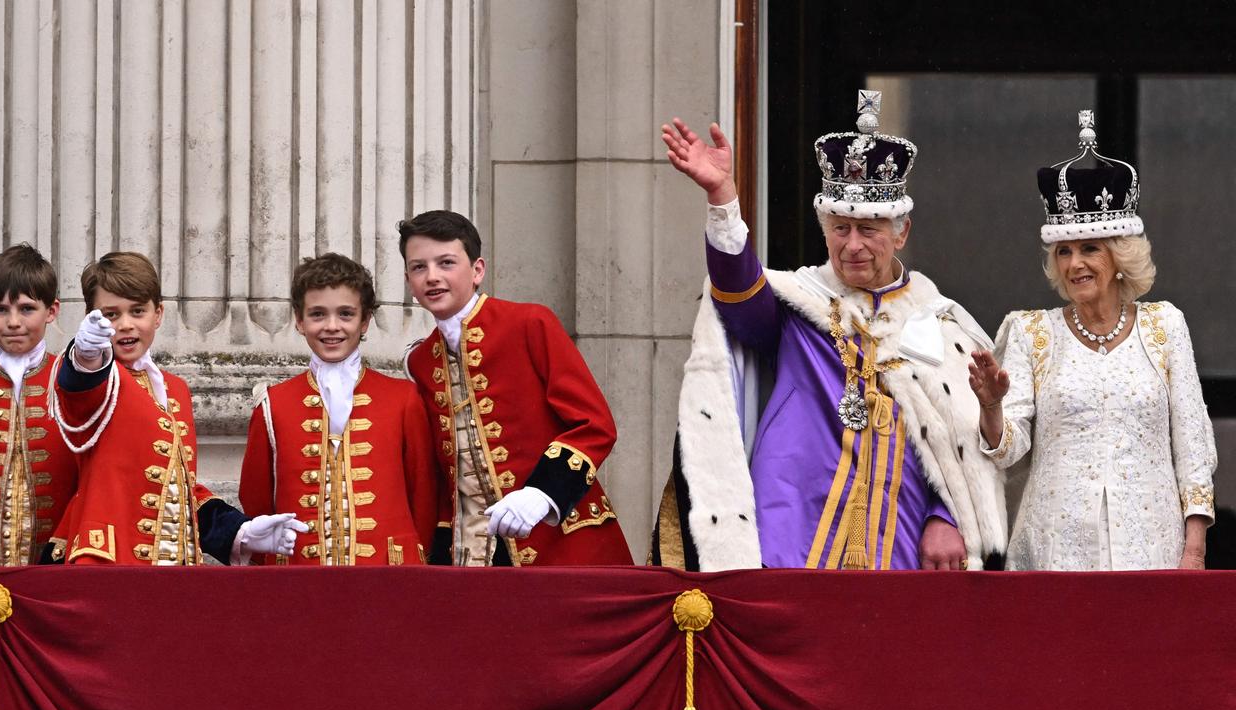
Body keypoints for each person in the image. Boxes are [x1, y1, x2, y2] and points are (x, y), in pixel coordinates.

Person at [652, 90, 1007, 571]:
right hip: (791, 523)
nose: (853, 245)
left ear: (901, 233)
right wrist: (723, 201)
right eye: (841, 228)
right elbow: (738, 297)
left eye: (870, 229)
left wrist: (946, 516)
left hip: (900, 538)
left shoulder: (942, 324)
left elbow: (961, 440)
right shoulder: (798, 304)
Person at [969, 110, 1216, 570]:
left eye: (1089, 249)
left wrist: (1194, 549)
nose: (1074, 264)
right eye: (1064, 251)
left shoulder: (1165, 326)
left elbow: (1193, 443)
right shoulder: (1031, 332)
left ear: (1120, 254)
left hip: (1152, 552)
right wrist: (991, 407)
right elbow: (1008, 451)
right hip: (1055, 553)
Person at [400, 210, 633, 566]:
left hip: (560, 540)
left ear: (477, 270)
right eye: (419, 267)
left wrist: (543, 493)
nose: (432, 277)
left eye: (446, 262)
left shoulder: (529, 323)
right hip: (471, 555)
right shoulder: (420, 362)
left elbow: (594, 424)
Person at [48, 251, 306, 565]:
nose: (126, 325)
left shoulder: (175, 389)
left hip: (175, 568)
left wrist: (240, 531)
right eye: (111, 315)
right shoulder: (99, 374)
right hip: (109, 563)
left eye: (137, 311)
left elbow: (183, 490)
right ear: (92, 318)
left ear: (158, 314)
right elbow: (78, 386)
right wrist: (86, 353)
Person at [238, 253, 440, 565]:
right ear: (299, 320)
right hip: (297, 576)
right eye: (318, 314)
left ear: (365, 320)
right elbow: (256, 498)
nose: (332, 326)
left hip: (390, 573)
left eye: (346, 314)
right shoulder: (272, 403)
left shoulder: (403, 397)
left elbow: (424, 495)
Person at [0, 245, 79, 564]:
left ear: (51, 311)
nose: (13, 321)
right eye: (0, 309)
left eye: (26, 309)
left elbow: (94, 470)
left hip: (57, 568)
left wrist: (65, 538)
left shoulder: (74, 381)